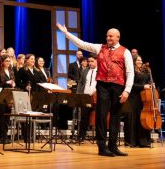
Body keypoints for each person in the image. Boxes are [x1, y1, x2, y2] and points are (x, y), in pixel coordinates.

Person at [57, 23, 133, 157]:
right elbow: (82, 44)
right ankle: (102, 147)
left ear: (117, 37)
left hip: (118, 86)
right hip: (102, 85)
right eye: (107, 36)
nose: (108, 38)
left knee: (115, 116)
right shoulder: (100, 48)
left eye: (110, 36)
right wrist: (66, 33)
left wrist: (127, 90)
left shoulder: (125, 51)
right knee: (101, 116)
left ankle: (113, 146)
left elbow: (130, 72)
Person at [76, 55, 97, 142]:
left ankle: (98, 136)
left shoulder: (100, 71)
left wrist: (96, 91)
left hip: (96, 97)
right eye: (89, 61)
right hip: (86, 96)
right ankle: (81, 136)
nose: (89, 63)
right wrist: (79, 94)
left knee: (98, 117)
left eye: (92, 61)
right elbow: (81, 82)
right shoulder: (85, 71)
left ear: (97, 61)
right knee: (84, 117)